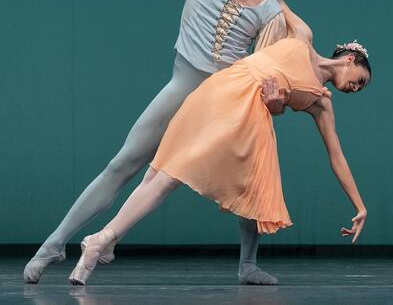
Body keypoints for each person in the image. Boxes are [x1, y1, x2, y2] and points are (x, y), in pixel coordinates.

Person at [24, 0, 311, 285]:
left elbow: (265, 66)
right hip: (182, 85)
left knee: (253, 171)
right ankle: (54, 242)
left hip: (220, 100)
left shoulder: (269, 8)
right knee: (124, 164)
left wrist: (273, 102)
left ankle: (248, 263)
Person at [68, 38, 371, 285]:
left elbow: (336, 156)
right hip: (227, 96)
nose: (355, 88)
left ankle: (247, 265)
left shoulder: (321, 102)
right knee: (166, 173)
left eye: (360, 89)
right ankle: (102, 240)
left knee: (250, 192)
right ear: (350, 59)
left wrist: (359, 205)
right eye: (360, 80)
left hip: (245, 113)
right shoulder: (301, 37)